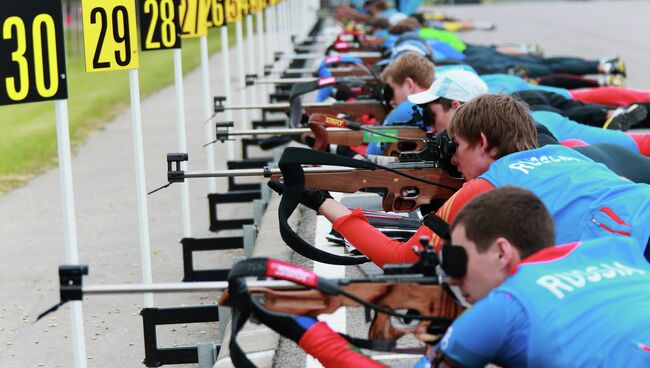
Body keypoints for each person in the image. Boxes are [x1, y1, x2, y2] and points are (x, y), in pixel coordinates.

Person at [296, 94, 650, 269]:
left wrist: (323, 203)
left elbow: (399, 258)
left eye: (459, 147)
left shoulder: (485, 188)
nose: (453, 158)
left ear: (482, 142)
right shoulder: (571, 155)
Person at [433, 186, 650, 367]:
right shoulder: (620, 252)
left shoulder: (506, 304)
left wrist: (434, 341)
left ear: (502, 253)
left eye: (459, 259)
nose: (454, 278)